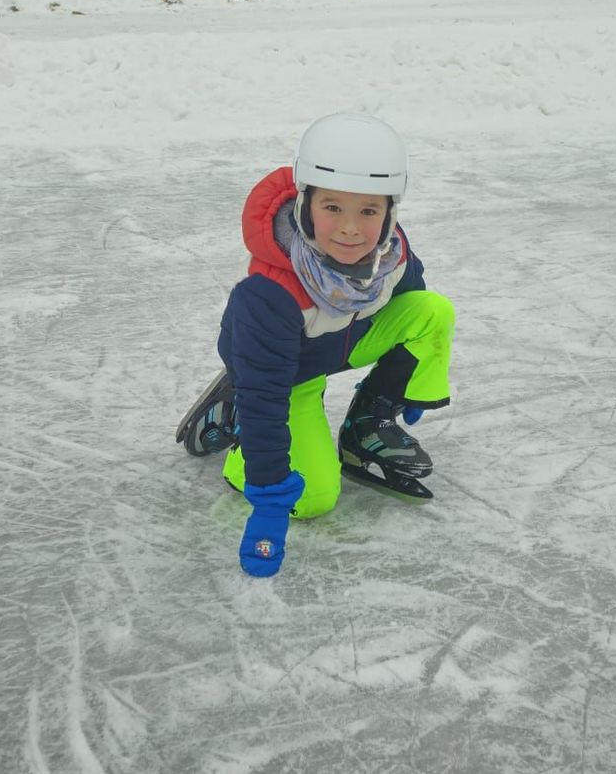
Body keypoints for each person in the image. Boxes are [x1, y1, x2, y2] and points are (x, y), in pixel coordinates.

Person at [188, 113, 454, 577]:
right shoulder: (269, 297)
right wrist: (269, 500)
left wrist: (406, 380)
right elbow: (267, 401)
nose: (351, 228)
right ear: (305, 203)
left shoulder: (390, 253)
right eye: (333, 208)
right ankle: (239, 432)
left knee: (433, 310)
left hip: (342, 343)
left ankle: (364, 428)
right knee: (312, 499)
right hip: (285, 378)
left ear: (390, 212)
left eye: (368, 211)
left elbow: (412, 295)